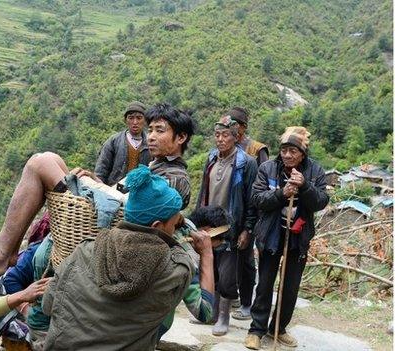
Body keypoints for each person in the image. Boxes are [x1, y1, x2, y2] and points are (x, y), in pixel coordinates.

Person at [0, 103, 195, 275]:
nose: (150, 136)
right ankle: (9, 248)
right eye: (150, 129)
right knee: (53, 159)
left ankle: (2, 253)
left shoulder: (176, 177)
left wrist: (95, 188)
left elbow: (137, 209)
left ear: (181, 138)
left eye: (159, 131)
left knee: (40, 162)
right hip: (104, 209)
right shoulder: (153, 166)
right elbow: (121, 192)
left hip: (105, 223)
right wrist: (95, 182)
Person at [42, 165, 210, 350]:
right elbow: (206, 313)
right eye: (174, 224)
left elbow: (47, 306)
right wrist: (207, 254)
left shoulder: (84, 249)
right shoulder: (175, 271)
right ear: (157, 226)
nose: (176, 228)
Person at [244, 127, 329, 350]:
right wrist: (282, 194)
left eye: (293, 151)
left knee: (290, 287)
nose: (288, 155)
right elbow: (257, 199)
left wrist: (305, 186)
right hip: (271, 235)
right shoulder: (267, 169)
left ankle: (278, 329)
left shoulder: (315, 171)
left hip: (298, 238)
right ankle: (256, 330)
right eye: (284, 150)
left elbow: (321, 202)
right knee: (264, 284)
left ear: (302, 153)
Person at [196, 115, 257, 336]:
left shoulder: (246, 163)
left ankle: (223, 317)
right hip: (209, 225)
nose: (220, 139)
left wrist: (247, 229)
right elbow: (203, 191)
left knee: (228, 274)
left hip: (231, 227)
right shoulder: (211, 157)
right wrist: (197, 221)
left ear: (236, 137)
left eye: (226, 135)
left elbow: (252, 200)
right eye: (217, 135)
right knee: (209, 268)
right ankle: (210, 313)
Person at [158, 206, 230, 339]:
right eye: (217, 242)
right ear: (208, 232)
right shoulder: (186, 254)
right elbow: (204, 312)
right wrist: (207, 254)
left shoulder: (174, 226)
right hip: (151, 328)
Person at [226, 106, 269, 320]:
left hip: (251, 214)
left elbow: (265, 184)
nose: (230, 128)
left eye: (234, 124)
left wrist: (252, 221)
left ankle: (246, 303)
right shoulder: (226, 146)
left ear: (242, 127)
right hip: (229, 213)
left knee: (246, 259)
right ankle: (230, 294)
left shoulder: (257, 150)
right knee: (227, 255)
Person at [94, 101, 151, 186]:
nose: (135, 122)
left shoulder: (151, 144)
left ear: (145, 121)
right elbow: (101, 170)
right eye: (131, 118)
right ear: (125, 120)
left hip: (141, 193)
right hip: (114, 191)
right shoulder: (113, 141)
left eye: (139, 118)